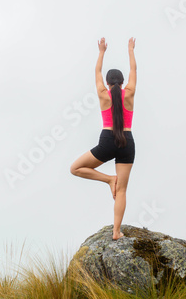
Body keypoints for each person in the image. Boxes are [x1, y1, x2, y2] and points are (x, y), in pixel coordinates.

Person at [70, 37, 137, 241]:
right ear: (123, 82)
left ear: (108, 83)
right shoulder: (130, 93)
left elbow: (97, 73)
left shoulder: (102, 93)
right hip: (127, 141)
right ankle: (117, 232)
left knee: (75, 168)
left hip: (108, 139)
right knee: (123, 190)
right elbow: (135, 70)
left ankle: (109, 180)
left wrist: (101, 52)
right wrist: (130, 49)